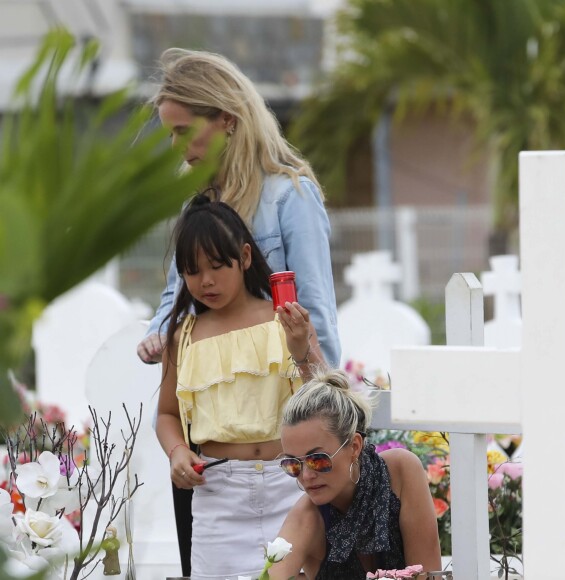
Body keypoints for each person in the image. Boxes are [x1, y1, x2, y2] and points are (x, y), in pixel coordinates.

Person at [156, 194, 326, 580]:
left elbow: (325, 399)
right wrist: (177, 451)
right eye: (192, 270)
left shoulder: (285, 320)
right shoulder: (182, 336)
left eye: (217, 265)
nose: (206, 281)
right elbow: (166, 414)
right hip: (218, 497)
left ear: (245, 257)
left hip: (292, 486)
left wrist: (302, 350)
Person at [137, 48, 340, 368]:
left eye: (184, 131)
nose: (176, 145)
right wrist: (159, 332)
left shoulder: (290, 198)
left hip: (275, 396)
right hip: (205, 393)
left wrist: (321, 402)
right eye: (170, 133)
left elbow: (316, 314)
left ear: (227, 119)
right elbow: (176, 294)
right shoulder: (195, 203)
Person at [269, 369, 442, 580]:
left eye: (318, 460)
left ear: (354, 446)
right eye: (293, 464)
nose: (306, 476)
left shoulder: (400, 473)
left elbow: (427, 575)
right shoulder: (306, 518)